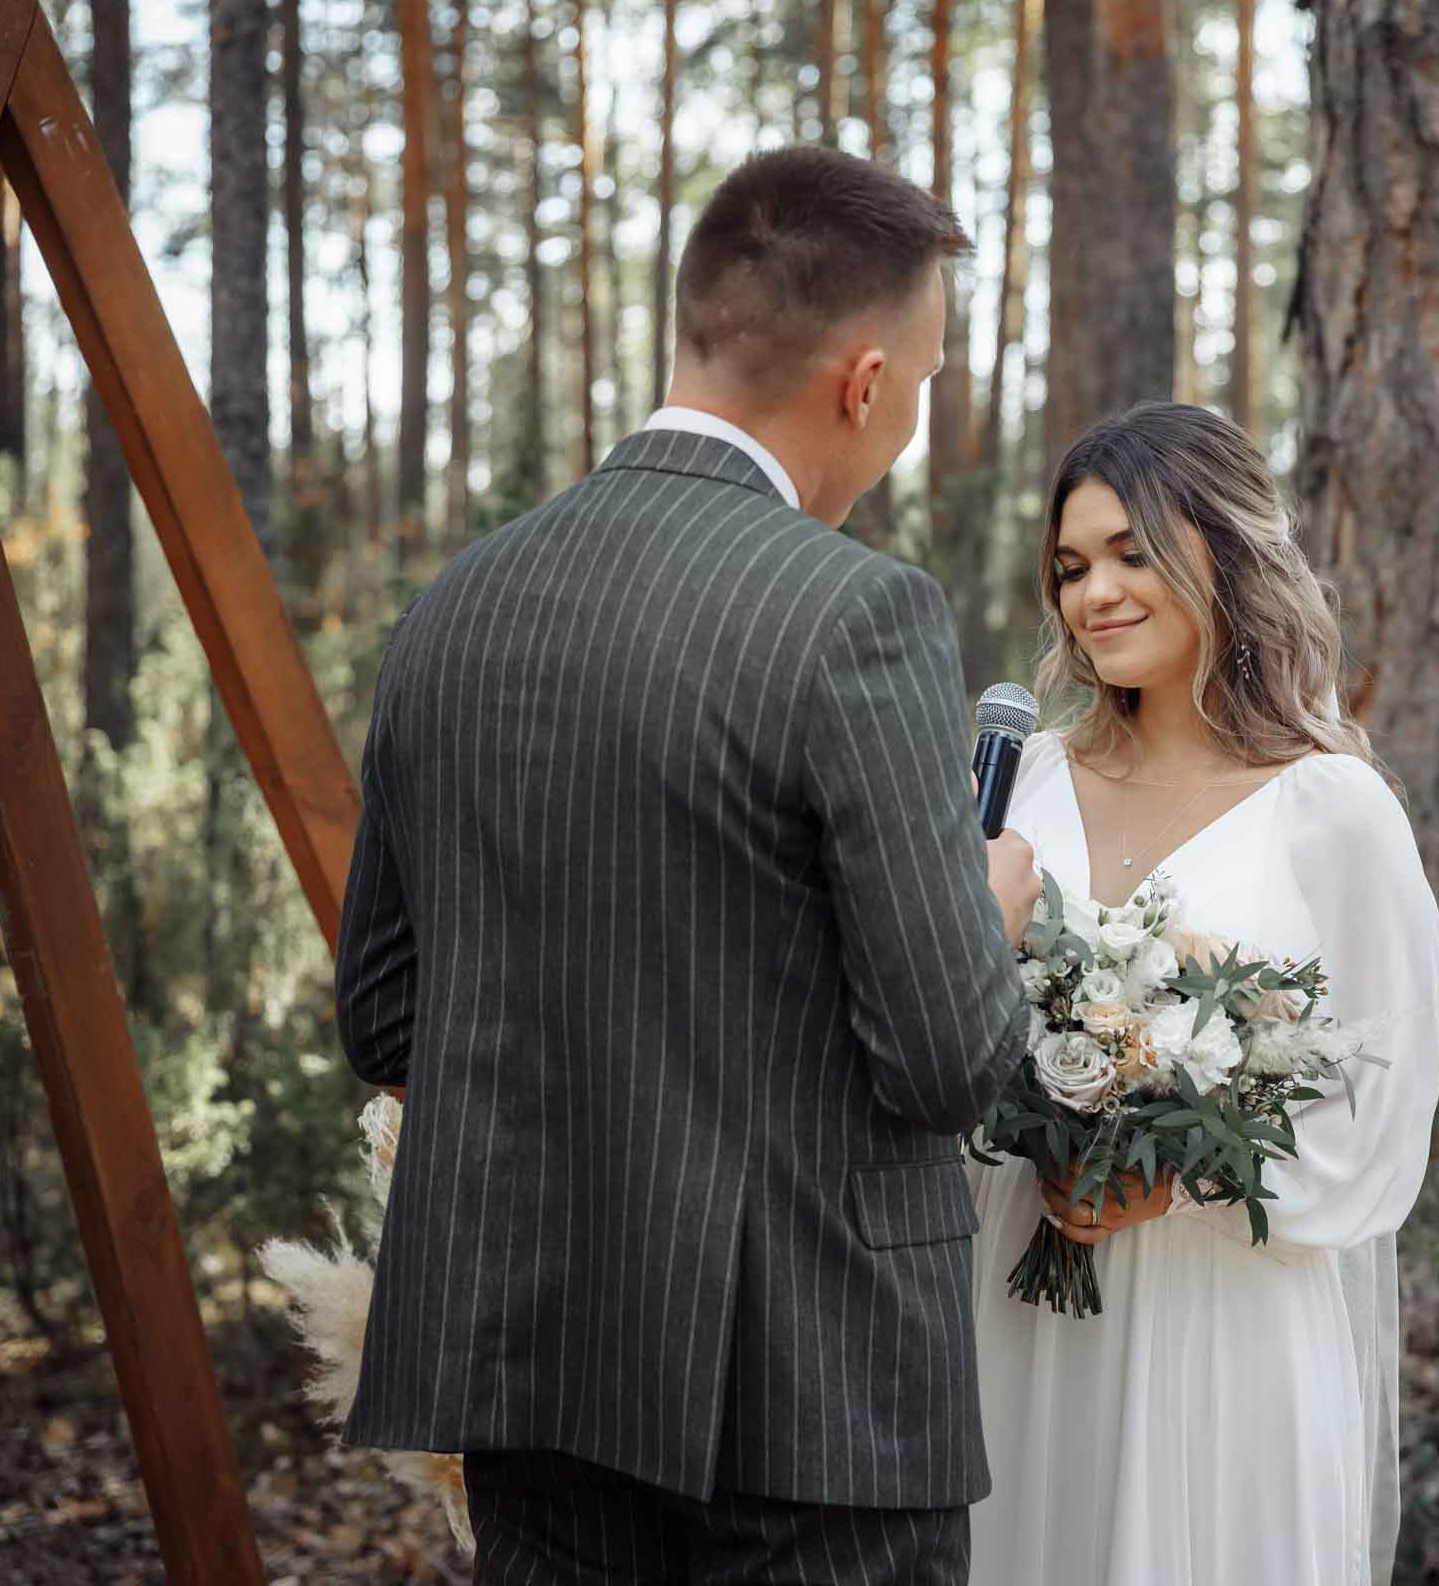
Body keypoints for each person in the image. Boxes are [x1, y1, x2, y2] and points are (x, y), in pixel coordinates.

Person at [334, 145, 1040, 1585]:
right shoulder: (857, 616)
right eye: (922, 380)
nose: (909, 418)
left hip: (533, 1377)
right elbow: (947, 1057)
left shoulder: (455, 609)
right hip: (810, 1403)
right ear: (859, 381)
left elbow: (388, 1017)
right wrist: (984, 908)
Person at [965, 402, 1439, 1586]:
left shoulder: (1333, 808)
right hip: (1015, 1296)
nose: (1096, 593)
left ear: (1224, 552)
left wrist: (1178, 1177)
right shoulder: (1022, 781)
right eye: (1072, 566)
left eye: (1134, 552)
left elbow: (1381, 1121)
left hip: (1220, 1322)